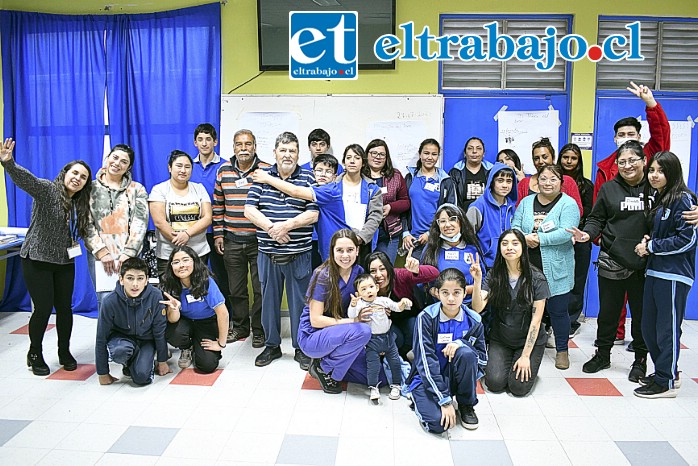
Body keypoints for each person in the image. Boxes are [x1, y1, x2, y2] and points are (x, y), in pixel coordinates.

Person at [1, 138, 92, 375]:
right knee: (42, 309)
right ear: (65, 173)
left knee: (65, 309)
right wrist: (9, 163)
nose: (77, 179)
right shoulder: (47, 189)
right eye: (75, 173)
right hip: (37, 258)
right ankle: (35, 352)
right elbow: (25, 179)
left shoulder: (79, 204)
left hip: (64, 260)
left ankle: (64, 351)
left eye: (83, 177)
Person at [593, 82, 671, 349]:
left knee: (642, 307)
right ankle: (612, 338)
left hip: (645, 250)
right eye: (621, 134)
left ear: (639, 139)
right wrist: (600, 238)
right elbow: (598, 210)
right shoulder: (605, 168)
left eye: (631, 133)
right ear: (614, 139)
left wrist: (650, 104)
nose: (626, 137)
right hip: (614, 249)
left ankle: (640, 352)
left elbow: (662, 135)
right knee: (611, 306)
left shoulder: (651, 162)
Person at [568, 141, 651, 382]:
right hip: (612, 261)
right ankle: (603, 355)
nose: (627, 166)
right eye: (622, 162)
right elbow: (597, 219)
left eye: (632, 160)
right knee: (608, 314)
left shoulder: (655, 186)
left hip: (644, 264)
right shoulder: (609, 189)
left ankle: (640, 360)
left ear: (644, 161)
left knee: (641, 315)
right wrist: (587, 234)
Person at [245, 131, 319, 369]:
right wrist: (271, 228)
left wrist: (287, 225)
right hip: (268, 252)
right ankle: (272, 346)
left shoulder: (309, 177)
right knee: (268, 301)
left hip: (299, 253)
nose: (288, 155)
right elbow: (249, 210)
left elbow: (314, 212)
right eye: (283, 150)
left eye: (292, 151)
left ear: (299, 154)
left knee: (300, 302)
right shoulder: (262, 177)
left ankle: (301, 348)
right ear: (275, 152)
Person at [251, 144, 382, 264]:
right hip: (326, 243)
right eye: (349, 157)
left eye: (357, 158)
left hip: (349, 242)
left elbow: (295, 191)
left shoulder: (332, 190)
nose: (352, 161)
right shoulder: (332, 186)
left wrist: (267, 178)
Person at [633, 152, 696, 398]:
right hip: (655, 272)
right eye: (651, 171)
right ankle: (666, 371)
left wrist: (652, 247)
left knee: (667, 328)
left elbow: (687, 240)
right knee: (648, 327)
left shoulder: (683, 199)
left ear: (673, 172)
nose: (654, 175)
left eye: (660, 170)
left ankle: (666, 381)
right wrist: (650, 240)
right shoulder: (661, 199)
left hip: (674, 275)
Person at [404, 268, 487, 433]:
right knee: (439, 424)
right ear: (436, 293)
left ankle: (466, 403)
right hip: (426, 378)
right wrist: (445, 401)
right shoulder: (426, 318)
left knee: (467, 353)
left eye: (457, 292)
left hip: (453, 378)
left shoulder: (474, 320)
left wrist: (462, 344)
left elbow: (482, 361)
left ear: (465, 293)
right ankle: (418, 395)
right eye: (445, 292)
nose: (451, 298)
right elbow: (426, 362)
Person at [513, 164, 579, 370]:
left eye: (553, 179)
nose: (547, 183)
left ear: (561, 182)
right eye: (543, 178)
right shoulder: (526, 202)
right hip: (527, 265)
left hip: (556, 267)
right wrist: (524, 238)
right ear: (536, 181)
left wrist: (539, 239)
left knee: (558, 311)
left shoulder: (568, 204)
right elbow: (514, 226)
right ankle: (525, 348)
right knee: (525, 309)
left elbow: (566, 232)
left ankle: (562, 350)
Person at [471, 230, 549, 397]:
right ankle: (508, 360)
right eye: (505, 243)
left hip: (528, 340)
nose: (509, 247)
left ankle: (526, 359)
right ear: (500, 248)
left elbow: (536, 321)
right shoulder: (494, 275)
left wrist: (526, 356)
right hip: (502, 338)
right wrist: (477, 282)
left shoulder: (536, 278)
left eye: (515, 243)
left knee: (518, 388)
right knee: (495, 384)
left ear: (523, 247)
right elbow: (477, 308)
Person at [213, 129, 270, 348]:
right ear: (234, 147)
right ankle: (240, 327)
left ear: (255, 146)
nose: (243, 148)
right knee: (236, 289)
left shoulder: (266, 170)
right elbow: (218, 205)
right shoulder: (224, 171)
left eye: (248, 144)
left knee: (260, 288)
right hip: (232, 240)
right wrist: (219, 234)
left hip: (260, 241)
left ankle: (259, 329)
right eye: (239, 144)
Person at [298, 229, 372, 394]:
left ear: (357, 250)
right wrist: (353, 322)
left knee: (375, 376)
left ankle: (334, 363)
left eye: (350, 250)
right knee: (363, 331)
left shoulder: (359, 272)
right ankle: (322, 367)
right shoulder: (323, 276)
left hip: (342, 333)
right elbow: (315, 320)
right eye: (340, 250)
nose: (345, 255)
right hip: (313, 335)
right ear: (332, 251)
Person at [85, 144, 149, 309]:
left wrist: (129, 253)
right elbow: (85, 223)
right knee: (106, 301)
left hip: (130, 253)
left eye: (123, 161)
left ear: (128, 167)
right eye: (115, 158)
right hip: (100, 256)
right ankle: (106, 335)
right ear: (107, 158)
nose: (117, 163)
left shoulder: (137, 189)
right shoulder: (89, 188)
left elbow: (140, 223)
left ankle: (132, 335)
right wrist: (101, 251)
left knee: (132, 299)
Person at [95, 257, 172, 386]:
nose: (135, 284)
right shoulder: (109, 301)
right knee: (120, 351)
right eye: (130, 278)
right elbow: (101, 338)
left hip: (146, 340)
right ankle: (129, 361)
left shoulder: (156, 296)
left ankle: (138, 362)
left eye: (140, 278)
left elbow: (160, 331)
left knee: (142, 378)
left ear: (147, 280)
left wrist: (162, 361)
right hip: (121, 339)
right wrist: (102, 373)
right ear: (121, 279)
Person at [159, 246, 229, 373]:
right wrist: (174, 309)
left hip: (207, 322)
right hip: (185, 321)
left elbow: (223, 313)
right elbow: (172, 320)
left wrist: (221, 344)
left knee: (207, 365)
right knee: (174, 334)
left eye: (185, 260)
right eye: (176, 262)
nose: (181, 265)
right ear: (171, 266)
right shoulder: (169, 283)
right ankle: (187, 347)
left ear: (194, 262)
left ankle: (198, 348)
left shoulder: (206, 281)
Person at [190, 123, 232, 325]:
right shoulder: (188, 166)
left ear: (215, 142)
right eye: (200, 139)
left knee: (221, 275)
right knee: (195, 274)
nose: (204, 143)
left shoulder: (225, 166)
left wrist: (219, 232)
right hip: (194, 231)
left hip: (218, 230)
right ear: (195, 142)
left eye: (208, 139)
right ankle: (201, 315)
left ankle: (226, 315)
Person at [348, 273, 411, 401]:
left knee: (395, 362)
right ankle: (373, 387)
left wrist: (403, 302)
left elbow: (397, 308)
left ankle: (396, 385)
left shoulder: (383, 300)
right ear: (358, 293)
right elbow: (351, 315)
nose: (368, 291)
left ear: (377, 287)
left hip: (388, 338)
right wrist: (353, 305)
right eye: (363, 289)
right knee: (373, 365)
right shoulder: (360, 304)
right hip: (372, 341)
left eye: (371, 286)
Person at [149, 150, 212, 277]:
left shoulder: (199, 188)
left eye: (187, 167)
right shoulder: (159, 190)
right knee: (171, 293)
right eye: (179, 166)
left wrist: (187, 234)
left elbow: (207, 218)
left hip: (198, 253)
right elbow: (159, 221)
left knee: (198, 292)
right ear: (170, 168)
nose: (183, 170)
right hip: (168, 254)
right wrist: (179, 240)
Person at [366, 250, 439, 355]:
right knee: (397, 339)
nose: (378, 275)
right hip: (386, 324)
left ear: (389, 268)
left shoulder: (399, 275)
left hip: (408, 317)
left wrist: (416, 269)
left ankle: (408, 362)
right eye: (373, 271)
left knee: (414, 329)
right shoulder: (366, 286)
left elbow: (434, 273)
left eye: (382, 269)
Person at [558, 143, 594, 337]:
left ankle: (572, 320)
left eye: (573, 158)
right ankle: (553, 318)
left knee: (577, 279)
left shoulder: (586, 185)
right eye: (565, 157)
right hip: (557, 238)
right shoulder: (550, 181)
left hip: (579, 238)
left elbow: (590, 210)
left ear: (579, 161)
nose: (569, 161)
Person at [403, 139, 457, 260]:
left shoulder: (445, 180)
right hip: (413, 240)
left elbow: (450, 212)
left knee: (434, 275)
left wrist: (430, 233)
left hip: (437, 237)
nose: (429, 157)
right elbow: (403, 208)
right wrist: (405, 233)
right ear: (420, 154)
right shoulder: (410, 178)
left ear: (438, 156)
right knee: (415, 275)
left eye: (434, 154)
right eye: (426, 153)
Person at [421, 203, 485, 305]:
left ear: (461, 222)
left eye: (452, 219)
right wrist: (431, 290)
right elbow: (421, 281)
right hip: (439, 306)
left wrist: (463, 291)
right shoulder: (431, 250)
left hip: (469, 306)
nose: (447, 224)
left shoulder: (473, 249)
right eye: (442, 221)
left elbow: (484, 282)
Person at [365, 139, 410, 264]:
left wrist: (390, 207)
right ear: (367, 155)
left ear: (386, 157)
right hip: (363, 233)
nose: (377, 157)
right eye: (374, 153)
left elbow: (405, 201)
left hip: (389, 233)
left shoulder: (395, 175)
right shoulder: (359, 175)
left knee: (385, 270)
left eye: (382, 154)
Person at [466, 162, 518, 269]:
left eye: (509, 181)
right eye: (500, 180)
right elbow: (467, 238)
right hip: (485, 266)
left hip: (509, 264)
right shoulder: (478, 206)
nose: (505, 185)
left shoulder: (512, 207)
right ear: (491, 182)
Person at [516, 137, 583, 216]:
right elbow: (518, 211)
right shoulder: (524, 183)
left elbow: (577, 211)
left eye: (545, 157)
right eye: (536, 158)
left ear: (553, 157)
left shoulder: (568, 181)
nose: (540, 161)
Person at [449, 137, 489, 212]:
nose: (474, 151)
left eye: (478, 148)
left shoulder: (491, 172)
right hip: (463, 218)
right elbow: (451, 200)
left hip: (486, 218)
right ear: (465, 153)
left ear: (483, 153)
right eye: (470, 148)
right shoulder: (455, 173)